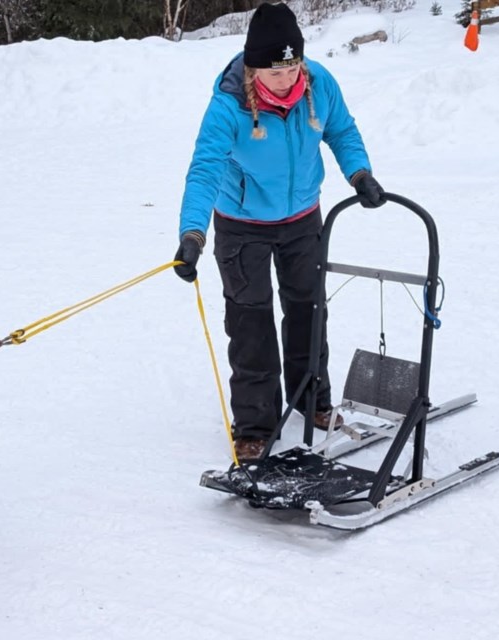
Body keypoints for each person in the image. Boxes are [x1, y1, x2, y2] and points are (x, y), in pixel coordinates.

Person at [173, 2, 384, 461]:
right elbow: (205, 169)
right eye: (275, 72)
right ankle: (254, 426)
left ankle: (312, 400)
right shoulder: (228, 104)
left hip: (302, 219)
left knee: (309, 311)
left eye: (292, 68)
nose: (286, 80)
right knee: (251, 325)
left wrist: (359, 174)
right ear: (253, 68)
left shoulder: (319, 84)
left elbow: (342, 131)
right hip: (241, 226)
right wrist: (192, 234)